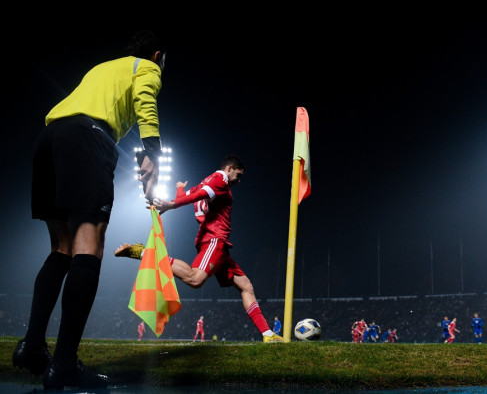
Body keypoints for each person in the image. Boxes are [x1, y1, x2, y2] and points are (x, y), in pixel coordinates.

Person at [12, 30, 167, 390]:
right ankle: (64, 364)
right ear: (158, 54)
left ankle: (32, 347)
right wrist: (153, 153)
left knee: (61, 249)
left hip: (50, 138)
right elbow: (146, 100)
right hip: (88, 139)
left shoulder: (104, 68)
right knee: (89, 245)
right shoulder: (148, 67)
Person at [115, 155, 283, 343]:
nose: (238, 180)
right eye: (238, 174)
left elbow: (189, 196)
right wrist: (172, 205)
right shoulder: (220, 180)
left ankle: (268, 335)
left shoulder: (206, 182)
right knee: (195, 279)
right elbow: (198, 196)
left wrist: (179, 190)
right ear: (229, 168)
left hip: (218, 243)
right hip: (214, 239)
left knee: (246, 286)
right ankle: (145, 253)